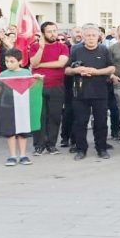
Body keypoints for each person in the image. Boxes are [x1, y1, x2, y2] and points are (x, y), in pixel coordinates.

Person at [0, 48, 44, 166]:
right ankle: (12, 156)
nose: (8, 64)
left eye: (12, 61)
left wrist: (37, 79)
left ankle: (23, 155)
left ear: (20, 61)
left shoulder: (26, 73)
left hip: (22, 105)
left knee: (23, 131)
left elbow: (32, 90)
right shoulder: (2, 75)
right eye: (6, 61)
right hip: (7, 106)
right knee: (10, 131)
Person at [66, 24, 115, 160]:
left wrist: (96, 72)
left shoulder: (104, 50)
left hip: (100, 92)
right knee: (80, 122)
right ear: (83, 37)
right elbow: (67, 70)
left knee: (101, 122)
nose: (91, 38)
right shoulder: (76, 50)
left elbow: (112, 68)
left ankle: (102, 148)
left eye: (93, 35)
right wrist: (77, 70)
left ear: (98, 36)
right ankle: (81, 149)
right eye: (88, 35)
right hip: (80, 92)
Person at [29, 21, 69, 156]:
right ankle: (39, 145)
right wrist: (41, 48)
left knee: (55, 116)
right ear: (43, 33)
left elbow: (61, 63)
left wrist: (41, 65)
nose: (53, 34)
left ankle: (51, 144)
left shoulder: (62, 47)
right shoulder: (35, 47)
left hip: (57, 86)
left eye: (54, 31)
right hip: (38, 86)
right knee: (40, 117)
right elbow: (33, 63)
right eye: (49, 31)